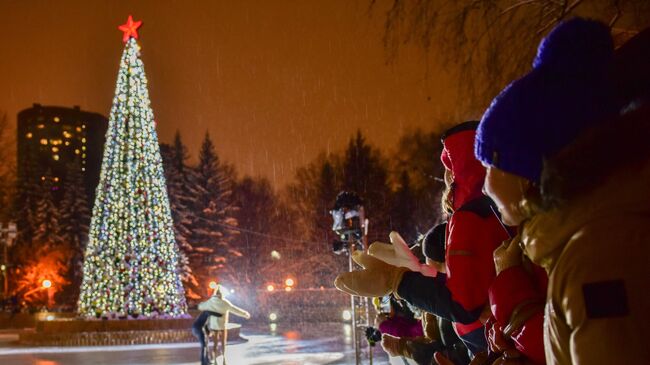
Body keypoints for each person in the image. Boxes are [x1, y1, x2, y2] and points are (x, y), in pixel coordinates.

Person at [475, 17, 650, 364]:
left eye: (492, 163)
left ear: (529, 173)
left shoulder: (599, 259)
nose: (485, 183)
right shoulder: (587, 243)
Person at [335, 121, 510, 357]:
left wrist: (398, 281)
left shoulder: (468, 218)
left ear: (457, 171)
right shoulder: (497, 213)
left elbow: (463, 304)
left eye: (448, 172)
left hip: (488, 341)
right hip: (499, 337)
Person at [196, 287, 251, 365]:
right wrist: (245, 314)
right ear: (222, 294)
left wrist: (195, 306)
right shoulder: (225, 303)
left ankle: (214, 359)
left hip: (214, 326)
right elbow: (235, 310)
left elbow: (201, 306)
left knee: (215, 343)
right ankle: (224, 357)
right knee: (223, 342)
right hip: (222, 325)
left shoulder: (210, 302)